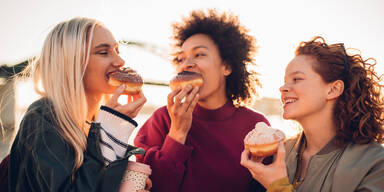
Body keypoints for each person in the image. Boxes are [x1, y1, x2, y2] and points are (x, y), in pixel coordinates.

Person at [134, 9, 269, 192]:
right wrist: (177, 133)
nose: (186, 64)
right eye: (181, 58)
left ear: (227, 66)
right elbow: (150, 186)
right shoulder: (161, 120)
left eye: (199, 54)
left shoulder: (255, 126)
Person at [8, 17, 148, 191]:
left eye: (117, 50)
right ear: (71, 63)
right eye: (104, 52)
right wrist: (111, 130)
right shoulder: (44, 117)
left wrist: (121, 182)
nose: (120, 61)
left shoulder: (92, 123)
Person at [241, 36, 384, 191]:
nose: (283, 88)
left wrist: (278, 187)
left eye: (296, 79)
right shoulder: (280, 151)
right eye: (285, 80)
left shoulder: (374, 164)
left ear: (333, 89)